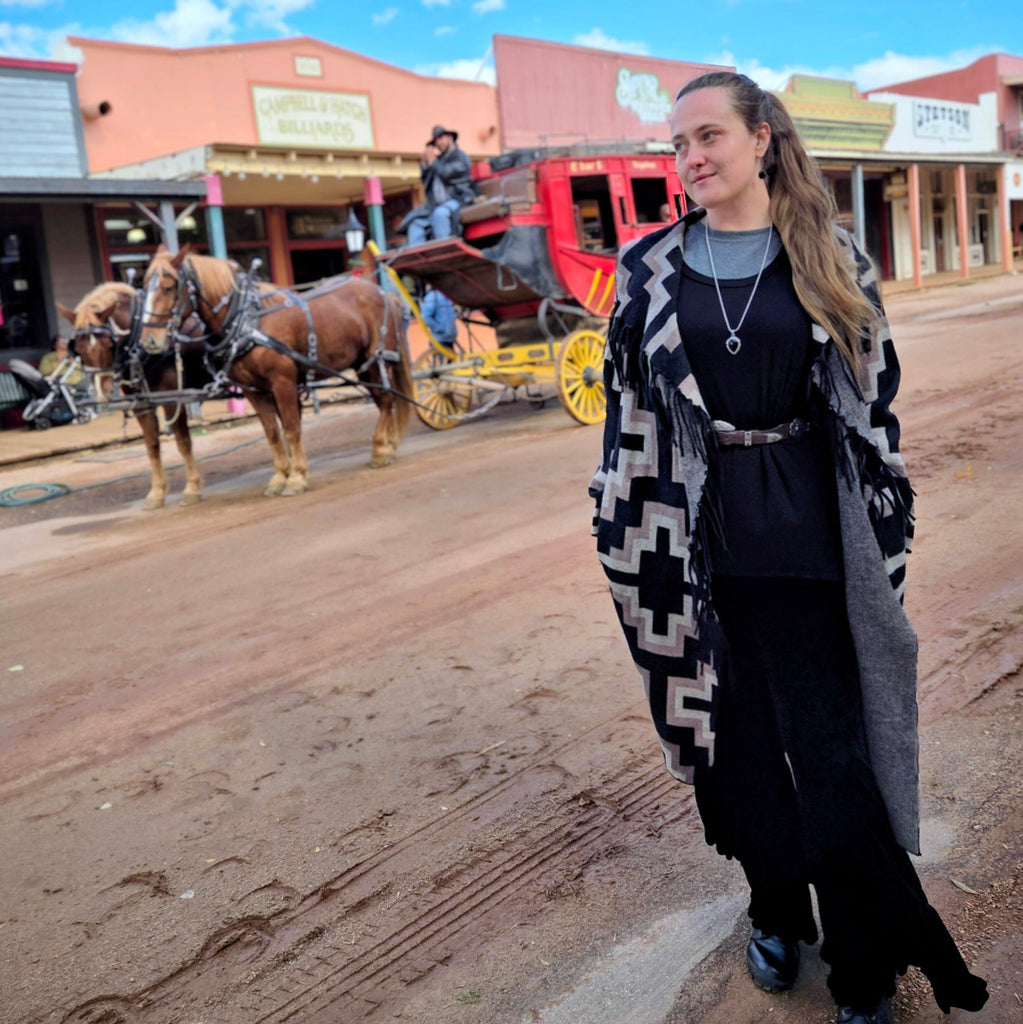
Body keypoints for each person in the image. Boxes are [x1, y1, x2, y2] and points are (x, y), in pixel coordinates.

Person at [589, 72, 988, 1024]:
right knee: (741, 752)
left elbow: (873, 408)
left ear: (762, 138)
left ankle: (863, 965)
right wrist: (621, 526)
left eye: (708, 136)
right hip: (697, 558)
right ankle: (773, 909)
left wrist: (883, 530)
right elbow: (625, 420)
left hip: (815, 553)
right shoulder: (647, 270)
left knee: (832, 756)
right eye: (677, 142)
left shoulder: (830, 253)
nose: (689, 158)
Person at [405, 125, 477, 246]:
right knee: (415, 222)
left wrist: (432, 162)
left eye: (440, 138)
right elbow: (426, 181)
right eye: (435, 141)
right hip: (436, 204)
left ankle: (444, 247)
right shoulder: (438, 160)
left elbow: (446, 173)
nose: (438, 143)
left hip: (458, 199)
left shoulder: (460, 156)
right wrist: (424, 165)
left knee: (440, 214)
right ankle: (416, 253)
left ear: (450, 138)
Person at [420, 285, 458, 350]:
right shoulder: (432, 297)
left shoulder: (447, 295)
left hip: (449, 337)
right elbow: (426, 317)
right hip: (440, 338)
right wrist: (438, 328)